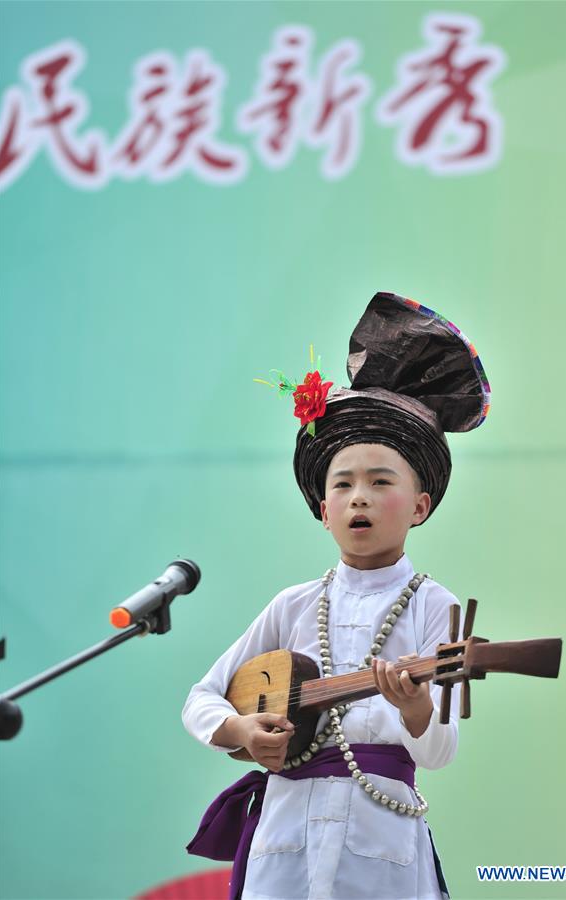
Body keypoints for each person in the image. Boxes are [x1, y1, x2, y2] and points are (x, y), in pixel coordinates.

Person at [182, 291, 491, 900]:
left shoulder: (436, 605)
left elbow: (440, 750)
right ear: (322, 510)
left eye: (382, 482)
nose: (360, 498)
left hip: (381, 840)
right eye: (343, 484)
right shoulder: (293, 604)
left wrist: (414, 709)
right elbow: (201, 699)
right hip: (284, 836)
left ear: (420, 505)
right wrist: (242, 731)